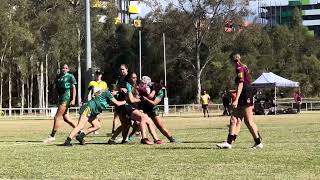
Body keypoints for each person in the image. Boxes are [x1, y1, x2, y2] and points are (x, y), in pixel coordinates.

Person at [216, 54, 263, 149]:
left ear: (234, 61)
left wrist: (236, 99)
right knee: (234, 119)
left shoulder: (239, 68)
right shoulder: (241, 67)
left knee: (248, 121)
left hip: (246, 94)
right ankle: (228, 143)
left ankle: (258, 143)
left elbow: (241, 84)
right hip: (243, 94)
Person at [43, 64, 77, 144]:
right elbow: (56, 89)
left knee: (57, 117)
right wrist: (54, 97)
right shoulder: (58, 77)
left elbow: (73, 88)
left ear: (68, 69)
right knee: (66, 118)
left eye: (66, 68)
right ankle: (79, 130)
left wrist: (73, 99)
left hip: (66, 99)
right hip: (61, 99)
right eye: (63, 68)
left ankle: (52, 136)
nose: (64, 69)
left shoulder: (70, 76)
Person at [139, 77, 176, 143]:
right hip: (143, 107)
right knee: (140, 122)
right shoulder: (140, 88)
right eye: (143, 84)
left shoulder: (160, 91)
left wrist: (146, 99)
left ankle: (171, 139)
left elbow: (154, 103)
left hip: (152, 108)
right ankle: (134, 138)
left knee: (160, 125)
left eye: (146, 84)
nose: (144, 86)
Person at [86, 70, 108, 135]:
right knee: (94, 117)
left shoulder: (104, 83)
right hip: (93, 102)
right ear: (95, 75)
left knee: (98, 117)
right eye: (97, 74)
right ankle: (93, 129)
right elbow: (87, 92)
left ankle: (93, 129)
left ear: (101, 75)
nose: (98, 75)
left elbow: (106, 93)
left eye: (99, 74)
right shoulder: (92, 82)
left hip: (100, 103)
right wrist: (85, 100)